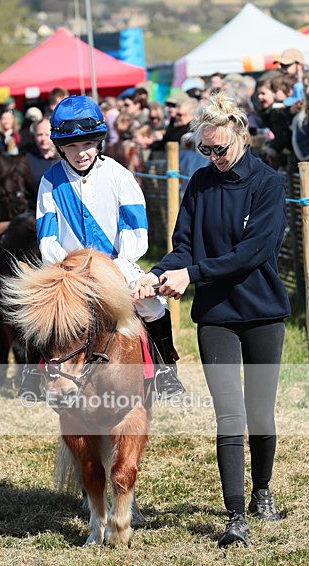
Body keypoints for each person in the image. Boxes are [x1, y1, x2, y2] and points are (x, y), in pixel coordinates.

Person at [133, 91, 290, 548]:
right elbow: (183, 245)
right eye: (205, 149)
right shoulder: (200, 183)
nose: (214, 157)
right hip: (216, 315)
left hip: (263, 311)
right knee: (230, 413)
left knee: (260, 412)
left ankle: (262, 490)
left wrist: (193, 274)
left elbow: (253, 252)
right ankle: (235, 515)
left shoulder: (269, 183)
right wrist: (158, 273)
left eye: (220, 148)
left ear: (241, 135)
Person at [21, 94, 184, 399]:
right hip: (67, 271)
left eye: (87, 144)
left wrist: (118, 264)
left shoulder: (119, 175)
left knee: (152, 306)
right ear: (60, 147)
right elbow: (47, 236)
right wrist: (69, 269)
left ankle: (166, 371)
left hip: (116, 264)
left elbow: (135, 229)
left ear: (99, 142)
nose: (80, 153)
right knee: (39, 307)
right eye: (71, 146)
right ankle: (32, 373)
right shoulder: (50, 181)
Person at [24, 117, 60, 191]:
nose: (43, 139)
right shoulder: (27, 159)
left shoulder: (64, 158)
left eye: (47, 135)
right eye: (39, 135)